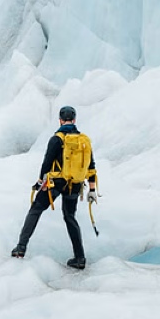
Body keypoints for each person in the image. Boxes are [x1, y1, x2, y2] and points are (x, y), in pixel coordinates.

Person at [11, 105, 97, 269]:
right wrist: (92, 189)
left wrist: (39, 182)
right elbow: (91, 166)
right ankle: (80, 258)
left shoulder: (57, 139)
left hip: (55, 183)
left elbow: (47, 163)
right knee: (70, 216)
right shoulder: (84, 140)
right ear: (74, 119)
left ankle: (20, 248)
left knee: (36, 209)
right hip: (74, 184)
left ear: (60, 120)